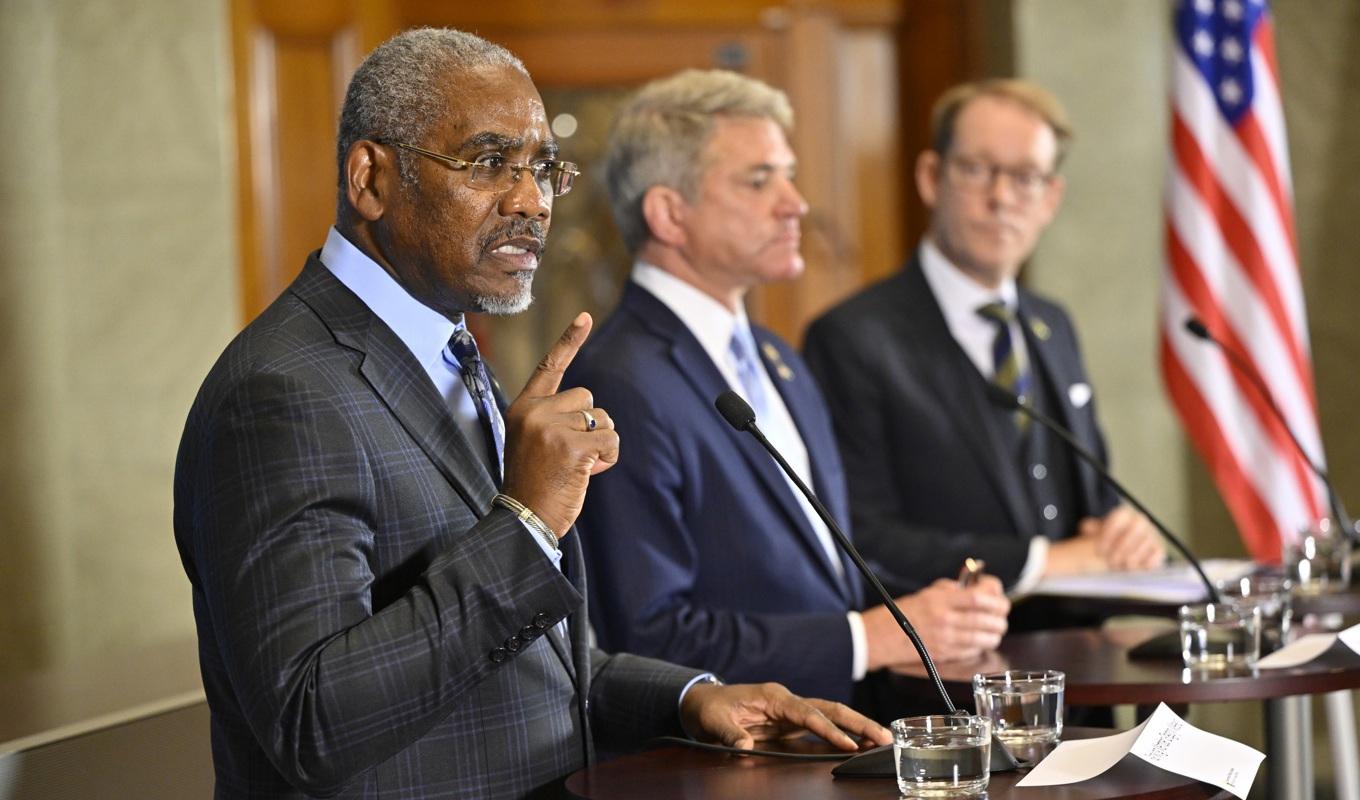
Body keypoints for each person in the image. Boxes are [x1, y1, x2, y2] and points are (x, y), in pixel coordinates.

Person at [173, 29, 887, 800]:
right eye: (488, 164)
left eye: (543, 167)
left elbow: (532, 662)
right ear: (370, 177)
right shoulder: (282, 392)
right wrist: (527, 522)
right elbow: (311, 723)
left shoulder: (449, 345)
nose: (531, 201)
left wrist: (692, 697)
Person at [564, 69, 1010, 713]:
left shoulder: (779, 359)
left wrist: (943, 610)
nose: (796, 202)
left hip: (838, 737)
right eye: (759, 179)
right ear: (668, 213)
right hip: (726, 764)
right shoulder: (618, 381)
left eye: (789, 173)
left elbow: (820, 574)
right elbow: (647, 637)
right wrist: (864, 638)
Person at [803, 79, 1165, 606]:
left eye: (1025, 178)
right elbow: (861, 535)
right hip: (946, 673)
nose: (1000, 198)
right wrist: (1038, 562)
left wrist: (1122, 532)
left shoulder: (1053, 325)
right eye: (976, 170)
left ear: (1050, 199)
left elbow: (1092, 498)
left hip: (1082, 660)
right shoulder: (853, 337)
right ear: (931, 177)